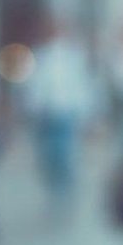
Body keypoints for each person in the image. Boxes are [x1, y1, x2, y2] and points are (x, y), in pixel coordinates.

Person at [22, 17, 96, 217]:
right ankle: (54, 192)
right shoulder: (39, 56)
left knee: (65, 155)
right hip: (46, 114)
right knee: (48, 157)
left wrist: (87, 113)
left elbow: (82, 86)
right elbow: (32, 87)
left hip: (65, 112)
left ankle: (65, 193)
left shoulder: (73, 57)